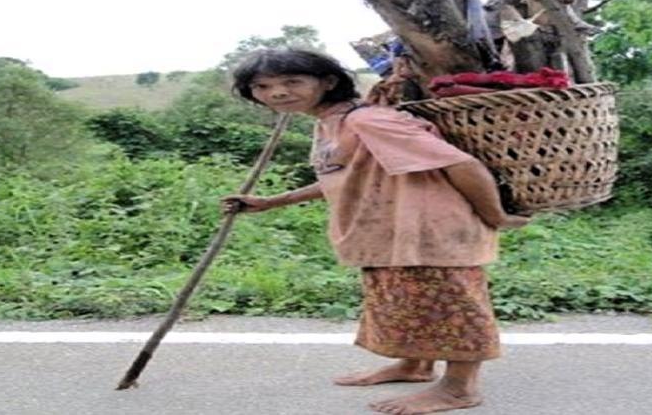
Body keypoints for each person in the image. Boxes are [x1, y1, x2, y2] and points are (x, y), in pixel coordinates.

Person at [221, 48, 528, 415]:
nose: (277, 93)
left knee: (450, 307)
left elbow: (463, 164)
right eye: (263, 86)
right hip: (387, 232)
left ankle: (459, 389)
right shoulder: (329, 123)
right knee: (404, 304)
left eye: (292, 82)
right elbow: (345, 176)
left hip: (429, 231)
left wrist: (495, 215)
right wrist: (273, 201)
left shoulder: (370, 121)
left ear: (328, 82)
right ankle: (415, 366)